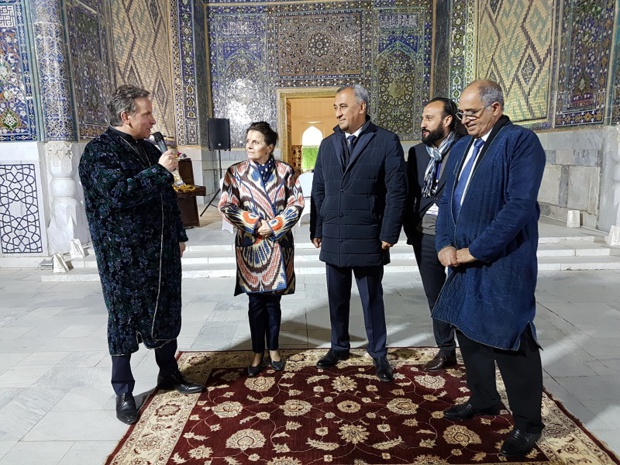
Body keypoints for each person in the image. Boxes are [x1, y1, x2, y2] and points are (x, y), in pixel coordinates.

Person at [79, 84, 203, 426]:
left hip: (160, 252)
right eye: (146, 113)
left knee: (165, 311)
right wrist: (161, 170)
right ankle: (123, 389)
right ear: (126, 115)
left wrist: (178, 234)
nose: (152, 120)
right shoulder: (99, 152)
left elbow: (167, 197)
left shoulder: (149, 150)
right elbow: (120, 194)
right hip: (123, 259)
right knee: (124, 321)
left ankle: (169, 374)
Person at [433, 80, 546, 457]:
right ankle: (484, 399)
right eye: (461, 113)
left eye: (472, 113)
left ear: (496, 108)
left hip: (503, 260)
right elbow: (448, 200)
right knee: (468, 329)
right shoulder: (463, 145)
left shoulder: (520, 142)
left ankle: (528, 424)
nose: (464, 120)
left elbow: (518, 207)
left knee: (511, 338)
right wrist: (445, 244)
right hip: (462, 257)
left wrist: (474, 251)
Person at [310, 84, 407, 382]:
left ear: (361, 107)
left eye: (343, 106)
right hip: (335, 231)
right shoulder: (327, 144)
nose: (337, 112)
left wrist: (389, 232)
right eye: (335, 107)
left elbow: (396, 192)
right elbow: (319, 189)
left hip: (368, 234)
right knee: (336, 297)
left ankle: (378, 353)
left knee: (371, 298)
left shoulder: (387, 141)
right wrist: (317, 227)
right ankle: (339, 347)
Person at [219, 121, 304, 377]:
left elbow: (296, 204)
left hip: (278, 244)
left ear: (270, 146)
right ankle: (257, 352)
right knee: (255, 302)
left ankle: (275, 349)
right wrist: (256, 224)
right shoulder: (235, 172)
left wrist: (275, 225)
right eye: (247, 141)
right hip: (251, 245)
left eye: (255, 141)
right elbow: (226, 205)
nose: (249, 145)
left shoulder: (286, 172)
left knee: (273, 301)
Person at [404, 97, 465, 371]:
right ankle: (446, 350)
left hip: (458, 235)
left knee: (463, 293)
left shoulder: (466, 150)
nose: (423, 124)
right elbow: (409, 194)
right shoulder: (417, 153)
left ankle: (474, 351)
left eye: (429, 118)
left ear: (448, 120)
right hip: (425, 236)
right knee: (436, 296)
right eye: (423, 118)